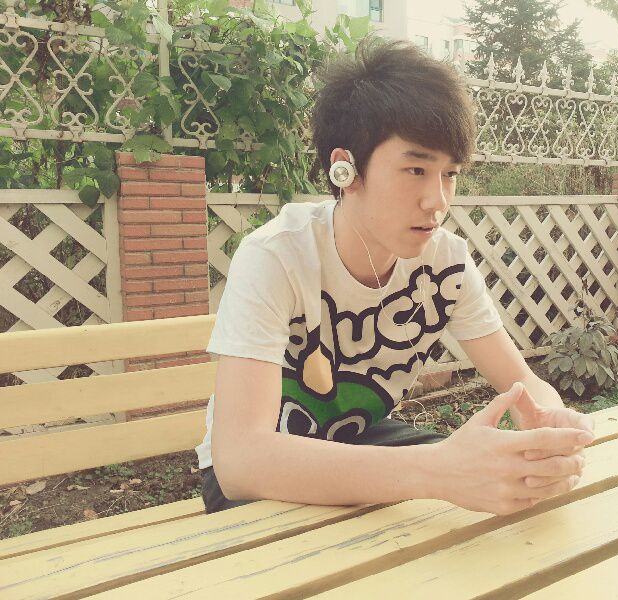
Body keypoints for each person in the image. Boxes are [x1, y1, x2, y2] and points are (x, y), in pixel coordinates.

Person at [195, 36, 594, 517]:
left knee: (499, 499)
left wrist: (549, 421)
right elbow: (241, 461)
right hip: (262, 474)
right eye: (415, 170)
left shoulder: (446, 264)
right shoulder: (276, 256)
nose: (437, 201)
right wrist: (437, 472)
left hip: (363, 442)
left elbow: (523, 381)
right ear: (345, 169)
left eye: (450, 174)